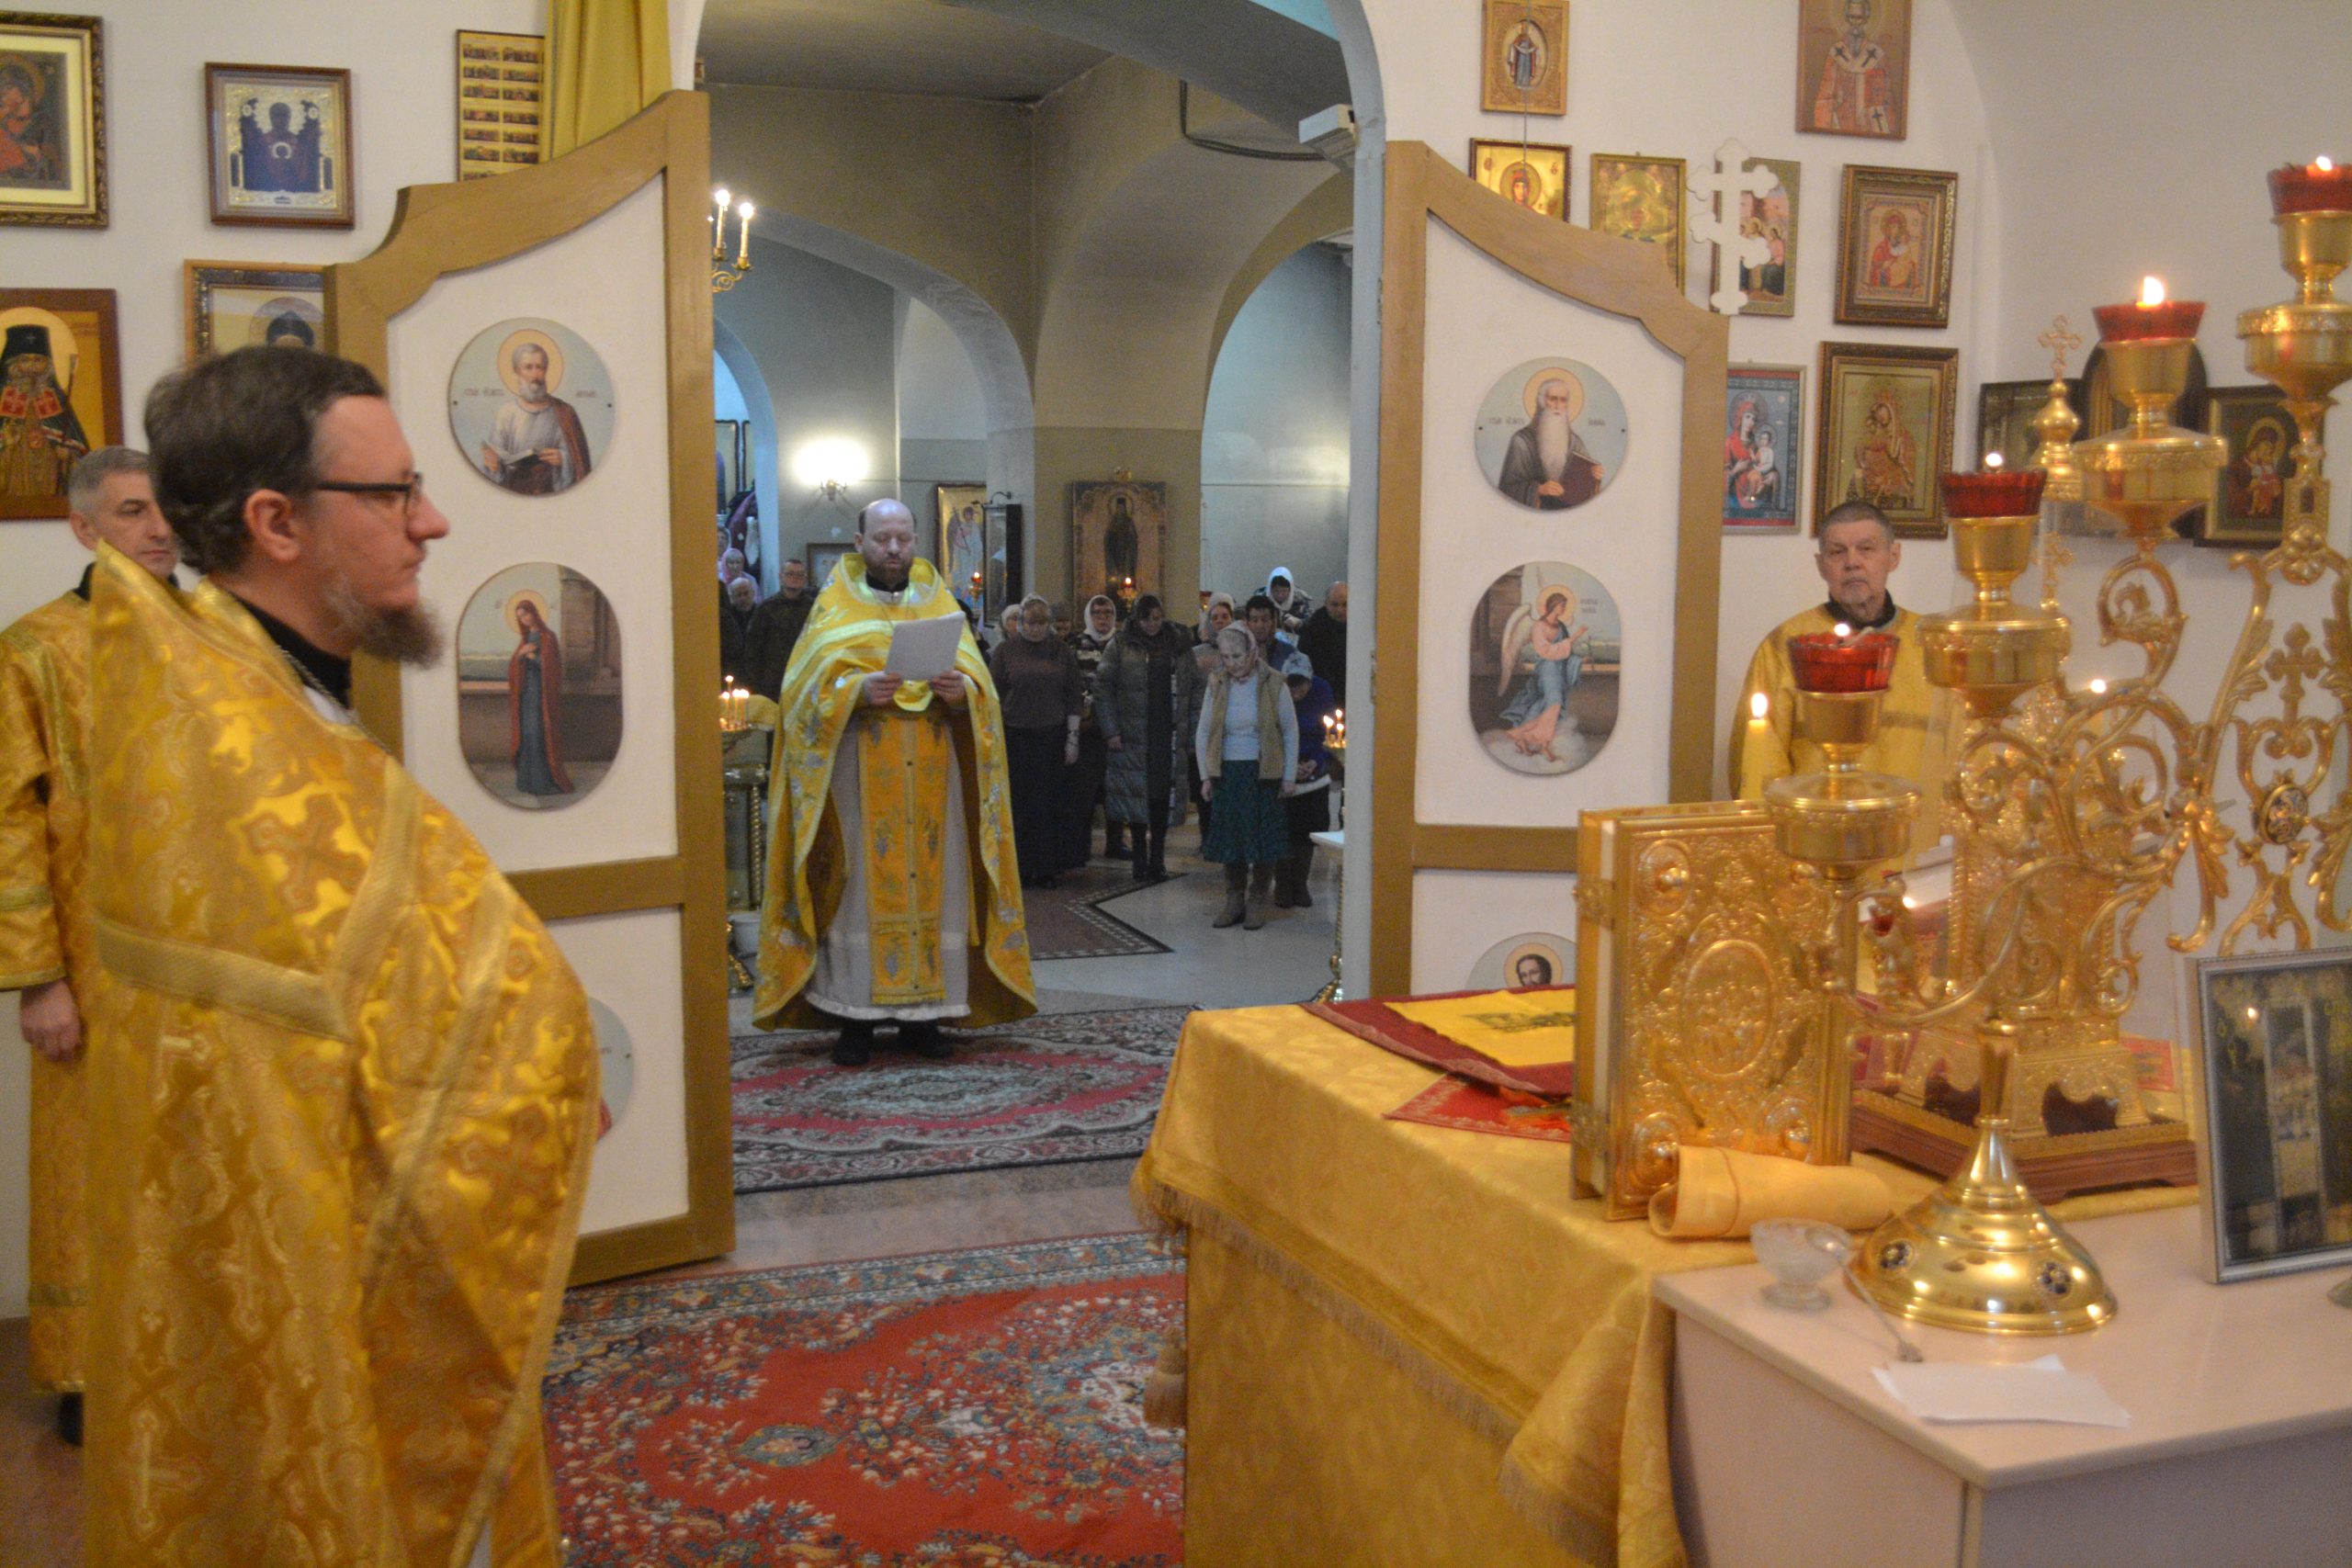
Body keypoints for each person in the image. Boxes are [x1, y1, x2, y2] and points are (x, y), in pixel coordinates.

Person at [81, 345, 598, 1562]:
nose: (431, 519)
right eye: (393, 491)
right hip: (322, 1278)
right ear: (277, 523)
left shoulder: (240, 689)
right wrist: (540, 1070)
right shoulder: (227, 746)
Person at [0, 447, 175, 1449]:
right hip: (94, 965)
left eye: (167, 509)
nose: (160, 529)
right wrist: (39, 980)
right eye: (134, 512)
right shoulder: (35, 651)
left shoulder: (221, 636)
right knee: (93, 1165)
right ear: (83, 527)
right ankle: (92, 1372)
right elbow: (9, 824)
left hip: (210, 962)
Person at [756, 498, 1035, 1066]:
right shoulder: (833, 606)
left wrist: (964, 694)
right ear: (859, 542)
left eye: (903, 538)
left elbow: (982, 690)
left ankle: (924, 1017)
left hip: (934, 780)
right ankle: (854, 1019)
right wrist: (852, 694)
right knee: (857, 892)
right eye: (882, 538)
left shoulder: (939, 601)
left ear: (915, 542)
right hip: (858, 778)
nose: (893, 549)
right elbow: (799, 695)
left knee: (937, 890)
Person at [1730, 499, 1947, 851]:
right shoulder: (1785, 646)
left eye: (1866, 549)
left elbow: (1961, 754)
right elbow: (1758, 765)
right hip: (1818, 848)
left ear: (1893, 557)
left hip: (1912, 848)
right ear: (1821, 565)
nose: (1852, 562)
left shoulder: (1933, 646)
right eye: (1837, 552)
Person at [1195, 625, 1297, 931]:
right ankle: (1234, 899)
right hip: (1227, 772)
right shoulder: (1217, 683)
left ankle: (1257, 899)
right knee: (1233, 839)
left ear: (1253, 653)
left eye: (1237, 656)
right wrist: (1205, 775)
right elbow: (1204, 731)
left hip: (1262, 772)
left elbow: (1290, 731)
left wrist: (1288, 776)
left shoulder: (1274, 683)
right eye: (1226, 657)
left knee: (1262, 840)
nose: (1232, 663)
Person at [1096, 592, 1198, 884]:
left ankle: (1158, 858)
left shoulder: (1178, 645)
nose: (1152, 624)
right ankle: (1139, 857)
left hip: (1168, 731)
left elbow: (1195, 688)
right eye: (1146, 619)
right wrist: (1111, 729)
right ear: (1136, 619)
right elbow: (1104, 688)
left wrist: (1192, 730)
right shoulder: (1121, 644)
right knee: (1137, 797)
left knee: (1161, 797)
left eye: (1156, 618)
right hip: (1133, 733)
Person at [988, 593, 1085, 889]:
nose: (1035, 629)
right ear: (1020, 623)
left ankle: (1046, 868)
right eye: (1030, 623)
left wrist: (1073, 737)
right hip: (1015, 735)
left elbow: (1073, 694)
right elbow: (993, 694)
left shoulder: (1061, 651)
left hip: (1051, 735)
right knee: (1019, 804)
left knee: (1047, 804)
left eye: (1041, 624)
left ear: (1048, 624)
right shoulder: (1005, 651)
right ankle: (1020, 868)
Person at [476, 339, 592, 494]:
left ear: (546, 370)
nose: (535, 375)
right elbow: (494, 463)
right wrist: (493, 463)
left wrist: (563, 459)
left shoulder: (565, 413)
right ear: (517, 371)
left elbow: (580, 462)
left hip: (554, 493)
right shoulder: (506, 413)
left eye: (540, 367)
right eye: (528, 367)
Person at [1497, 588, 1592, 764]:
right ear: (1553, 605)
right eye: (1562, 605)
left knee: (1547, 707)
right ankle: (1541, 743)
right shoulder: (1538, 626)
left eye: (1565, 605)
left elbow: (1565, 653)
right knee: (1554, 704)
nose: (1564, 608)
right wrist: (1575, 636)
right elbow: (1545, 651)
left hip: (1558, 671)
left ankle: (1523, 737)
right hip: (1547, 671)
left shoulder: (1561, 627)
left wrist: (1579, 660)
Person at [0, 321, 90, 503]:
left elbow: (81, 452)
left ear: (47, 364)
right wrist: (7, 446)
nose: (31, 367)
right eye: (25, 360)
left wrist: (69, 456)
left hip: (51, 478)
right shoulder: (3, 399)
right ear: (14, 364)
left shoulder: (57, 400)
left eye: (38, 360)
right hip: (13, 479)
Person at [1277, 650, 1337, 910]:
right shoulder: (1277, 693)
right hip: (1284, 766)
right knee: (1284, 829)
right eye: (1291, 684)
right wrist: (1288, 764)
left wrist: (1315, 760)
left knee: (1307, 830)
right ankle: (1282, 884)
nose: (1296, 690)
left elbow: (1329, 732)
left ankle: (1300, 884)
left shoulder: (1322, 691)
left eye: (1301, 684)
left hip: (1313, 767)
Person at [1068, 593, 1122, 861]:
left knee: (1115, 788)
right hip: (1087, 728)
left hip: (1116, 728)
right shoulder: (1076, 644)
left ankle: (1116, 843)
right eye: (1097, 613)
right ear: (1089, 616)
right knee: (1084, 791)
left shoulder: (1122, 643)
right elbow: (1071, 681)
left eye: (1108, 613)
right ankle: (1080, 846)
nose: (1103, 618)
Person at [1498, 375, 1603, 510]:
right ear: (1542, 402)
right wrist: (1539, 489)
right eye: (1553, 399)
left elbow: (1585, 488)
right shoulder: (1521, 441)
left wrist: (1594, 477)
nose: (1558, 406)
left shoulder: (1574, 441)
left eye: (1563, 400)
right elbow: (1507, 488)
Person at [508, 592, 573, 797]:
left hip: (541, 696)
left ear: (534, 613)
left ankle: (542, 783)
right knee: (527, 736)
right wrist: (520, 655)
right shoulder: (525, 639)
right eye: (520, 617)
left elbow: (552, 668)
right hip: (527, 695)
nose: (524, 619)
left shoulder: (548, 637)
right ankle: (527, 781)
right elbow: (514, 666)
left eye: (526, 614)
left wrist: (531, 656)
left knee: (538, 735)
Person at [1813, 0, 1894, 135]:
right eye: (1851, 17)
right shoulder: (1835, 54)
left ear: (1866, 18)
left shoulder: (1878, 57)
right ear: (1846, 18)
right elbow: (1824, 97)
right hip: (1840, 122)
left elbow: (1886, 99)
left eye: (1859, 18)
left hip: (1868, 125)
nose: (1855, 22)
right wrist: (1835, 103)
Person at [744, 555, 815, 697]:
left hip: (804, 674)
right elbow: (753, 647)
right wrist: (755, 682)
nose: (795, 578)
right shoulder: (767, 608)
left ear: (805, 579)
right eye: (790, 574)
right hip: (772, 679)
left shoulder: (814, 608)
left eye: (800, 575)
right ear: (781, 577)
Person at [1297, 580, 1349, 702]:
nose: (1340, 610)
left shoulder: (1361, 627)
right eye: (1335, 605)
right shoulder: (1312, 629)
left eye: (1345, 604)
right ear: (1326, 603)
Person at [1866, 209, 1918, 292]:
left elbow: (1905, 257)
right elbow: (1875, 267)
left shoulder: (1902, 245)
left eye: (1898, 228)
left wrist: (1910, 264)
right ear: (1888, 229)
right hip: (1888, 275)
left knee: (1913, 266)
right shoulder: (1880, 247)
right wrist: (1884, 265)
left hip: (1901, 270)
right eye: (1893, 227)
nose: (1896, 230)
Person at [1243, 591, 1297, 671]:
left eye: (1265, 620)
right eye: (1255, 620)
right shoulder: (1236, 652)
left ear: (1273, 621)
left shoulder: (1289, 653)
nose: (1260, 625)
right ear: (1247, 622)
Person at [722, 572, 760, 685]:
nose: (743, 598)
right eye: (738, 595)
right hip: (734, 670)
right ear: (731, 597)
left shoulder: (762, 614)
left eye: (746, 593)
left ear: (753, 593)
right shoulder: (726, 619)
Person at [1264, 568, 1313, 635]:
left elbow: (1312, 624)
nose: (1280, 595)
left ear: (1290, 589)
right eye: (1276, 591)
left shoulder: (1300, 601)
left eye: (1284, 591)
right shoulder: (1263, 601)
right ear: (1270, 590)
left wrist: (1299, 622)